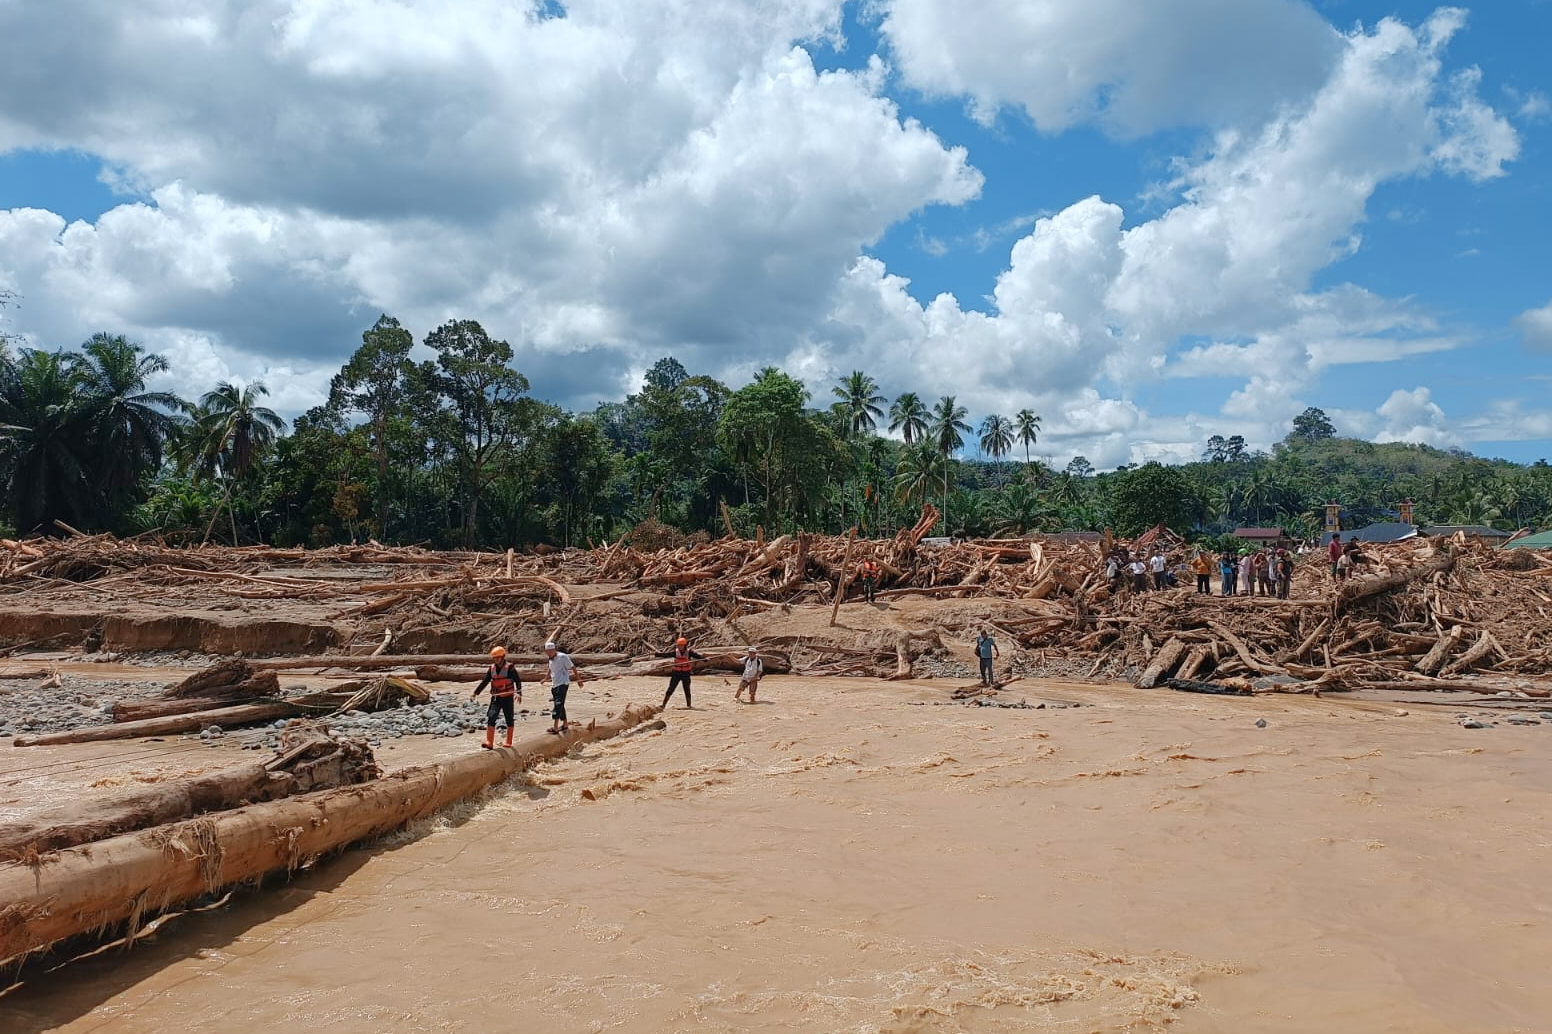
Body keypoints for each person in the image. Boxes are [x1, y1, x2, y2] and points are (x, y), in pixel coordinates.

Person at [471, 645, 522, 749]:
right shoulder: (491, 669)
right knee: (491, 717)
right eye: (494, 658)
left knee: (509, 718)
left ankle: (508, 742)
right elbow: (485, 681)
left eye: (498, 657)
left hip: (507, 697)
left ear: (503, 657)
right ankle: (489, 742)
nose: (496, 660)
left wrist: (518, 693)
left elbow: (517, 680)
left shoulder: (510, 667)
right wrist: (476, 693)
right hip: (496, 698)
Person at [543, 641, 582, 735]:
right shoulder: (551, 658)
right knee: (560, 705)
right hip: (555, 684)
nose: (548, 654)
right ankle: (565, 724)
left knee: (558, 704)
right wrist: (545, 678)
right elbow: (550, 668)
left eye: (550, 652)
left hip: (563, 683)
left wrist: (578, 680)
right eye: (547, 652)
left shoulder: (563, 657)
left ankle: (555, 727)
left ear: (553, 650)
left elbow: (573, 667)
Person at [659, 636, 706, 709]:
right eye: (679, 645)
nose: (680, 646)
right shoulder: (675, 652)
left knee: (687, 689)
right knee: (670, 689)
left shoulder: (689, 652)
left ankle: (689, 706)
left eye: (681, 645)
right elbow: (666, 655)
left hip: (686, 674)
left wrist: (704, 659)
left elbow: (697, 656)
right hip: (676, 673)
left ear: (684, 645)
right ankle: (663, 705)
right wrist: (656, 654)